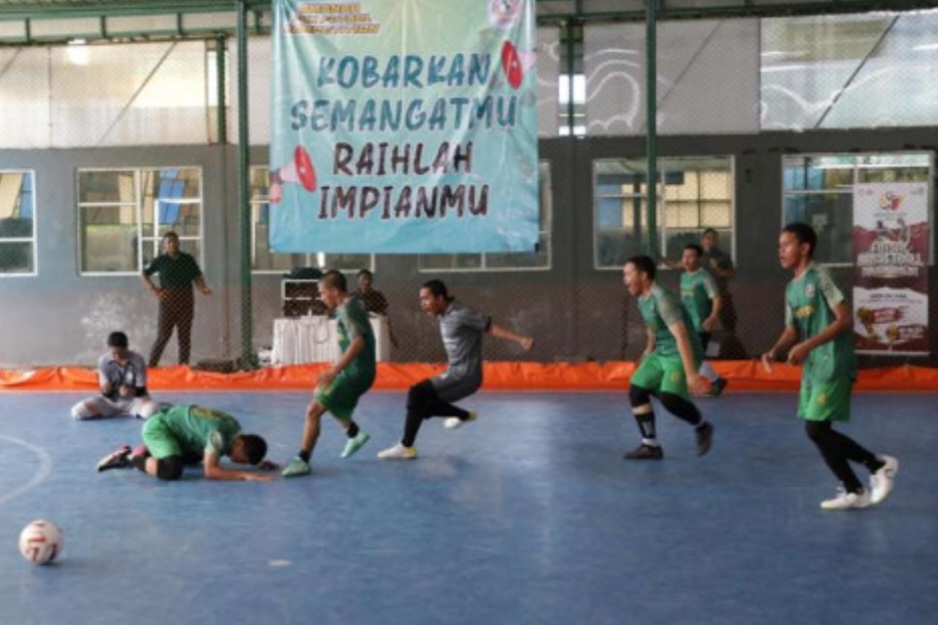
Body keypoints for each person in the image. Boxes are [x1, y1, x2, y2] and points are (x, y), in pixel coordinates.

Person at [762, 223, 898, 510]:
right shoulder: (791, 287)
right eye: (779, 246)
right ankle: (854, 491)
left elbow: (845, 319)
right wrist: (775, 351)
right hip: (814, 367)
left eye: (786, 245)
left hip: (834, 360)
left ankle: (878, 465)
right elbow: (792, 329)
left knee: (815, 429)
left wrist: (807, 346)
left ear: (804, 247)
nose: (781, 251)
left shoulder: (821, 276)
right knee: (817, 430)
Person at [377, 280, 534, 460]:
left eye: (426, 299)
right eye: (421, 300)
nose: (423, 304)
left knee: (416, 392)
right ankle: (462, 416)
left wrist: (520, 339)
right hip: (456, 373)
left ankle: (406, 446)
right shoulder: (443, 313)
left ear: (440, 298)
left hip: (466, 375)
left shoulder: (461, 313)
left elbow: (489, 326)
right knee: (422, 408)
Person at [282, 270, 376, 477]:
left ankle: (303, 459)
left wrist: (334, 371)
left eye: (323, 293)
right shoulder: (347, 305)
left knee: (313, 410)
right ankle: (354, 433)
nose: (321, 298)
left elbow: (358, 342)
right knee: (324, 395)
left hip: (357, 373)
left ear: (334, 291)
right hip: (357, 371)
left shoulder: (349, 309)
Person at [622, 255, 713, 460]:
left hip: (681, 352)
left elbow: (681, 335)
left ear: (643, 275)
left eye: (628, 274)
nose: (625, 279)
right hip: (661, 351)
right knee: (636, 391)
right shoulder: (642, 299)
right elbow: (652, 326)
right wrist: (648, 348)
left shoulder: (663, 298)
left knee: (669, 399)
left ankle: (702, 427)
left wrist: (691, 374)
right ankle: (650, 446)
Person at [95, 403, 277, 482]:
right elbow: (210, 472)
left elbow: (236, 449)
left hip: (179, 435)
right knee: (171, 470)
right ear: (240, 444)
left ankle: (148, 451)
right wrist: (245, 475)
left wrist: (258, 462)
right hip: (159, 428)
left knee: (197, 457)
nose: (237, 462)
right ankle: (130, 457)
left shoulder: (235, 430)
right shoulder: (219, 435)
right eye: (242, 460)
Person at [140, 231, 211, 367]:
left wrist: (203, 288)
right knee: (163, 336)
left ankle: (183, 367)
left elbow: (197, 276)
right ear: (164, 246)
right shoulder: (160, 260)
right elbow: (143, 274)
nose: (172, 244)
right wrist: (154, 289)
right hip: (167, 301)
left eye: (175, 241)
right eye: (169, 242)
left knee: (184, 336)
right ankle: (151, 366)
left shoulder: (188, 259)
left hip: (186, 300)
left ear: (179, 243)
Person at [70, 331, 160, 420]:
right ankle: (109, 411)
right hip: (110, 402)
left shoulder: (137, 360)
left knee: (151, 411)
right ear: (109, 348)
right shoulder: (103, 360)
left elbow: (141, 390)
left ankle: (137, 410)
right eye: (114, 353)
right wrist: (108, 390)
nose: (117, 356)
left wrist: (131, 391)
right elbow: (105, 391)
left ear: (126, 348)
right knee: (77, 412)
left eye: (120, 353)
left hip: (134, 401)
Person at [679, 244, 728, 397]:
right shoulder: (683, 277)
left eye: (690, 256)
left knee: (694, 356)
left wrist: (713, 316)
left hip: (701, 325)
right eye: (684, 256)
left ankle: (714, 380)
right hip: (685, 325)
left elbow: (716, 298)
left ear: (698, 259)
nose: (686, 260)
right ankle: (715, 381)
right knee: (688, 355)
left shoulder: (705, 277)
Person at [357, 268, 398, 348]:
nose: (366, 283)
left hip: (376, 330)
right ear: (358, 282)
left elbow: (385, 316)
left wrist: (391, 336)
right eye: (363, 280)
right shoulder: (354, 297)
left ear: (371, 281)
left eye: (368, 280)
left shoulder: (377, 296)